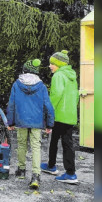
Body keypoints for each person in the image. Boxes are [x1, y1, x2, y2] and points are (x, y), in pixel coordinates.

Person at [6, 59, 55, 190]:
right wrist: (49, 124)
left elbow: (11, 105)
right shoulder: (42, 86)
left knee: (21, 144)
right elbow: (48, 106)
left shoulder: (17, 84)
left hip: (21, 120)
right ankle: (35, 175)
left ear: (24, 70)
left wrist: (10, 122)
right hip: (37, 122)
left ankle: (21, 170)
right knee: (36, 147)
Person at [41, 50, 79, 184]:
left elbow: (55, 95)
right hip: (70, 115)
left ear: (59, 64)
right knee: (67, 142)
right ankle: (65, 170)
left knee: (55, 140)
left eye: (52, 63)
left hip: (59, 115)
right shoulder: (72, 77)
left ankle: (66, 172)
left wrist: (48, 112)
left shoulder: (58, 76)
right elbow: (75, 96)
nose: (50, 66)